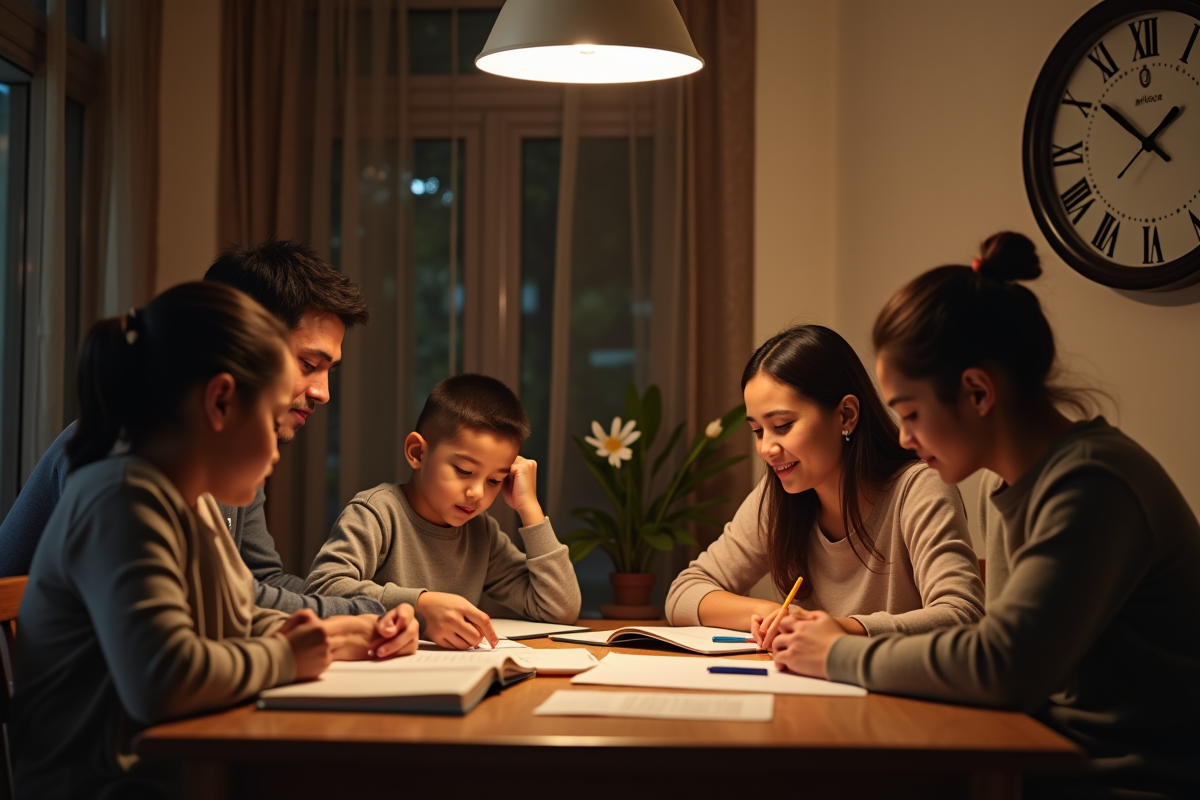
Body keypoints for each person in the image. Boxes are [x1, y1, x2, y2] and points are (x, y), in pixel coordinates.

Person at [771, 233, 1200, 799]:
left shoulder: (1093, 484)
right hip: (1049, 759)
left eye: (912, 412)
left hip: (1130, 780)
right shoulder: (1009, 484)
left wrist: (838, 651)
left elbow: (1004, 665)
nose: (902, 437)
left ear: (976, 392)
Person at [11, 283, 420, 800]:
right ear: (221, 401)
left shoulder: (193, 499)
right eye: (273, 422)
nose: (277, 449)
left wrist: (345, 634)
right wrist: (289, 657)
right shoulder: (122, 496)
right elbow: (163, 679)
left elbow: (237, 616)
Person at [0, 241, 382, 617]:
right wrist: (365, 615)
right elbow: (208, 613)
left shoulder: (226, 451)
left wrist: (396, 611)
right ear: (241, 341)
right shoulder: (127, 457)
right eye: (308, 364)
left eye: (328, 371)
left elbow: (257, 584)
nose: (323, 393)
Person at [665, 325, 984, 648]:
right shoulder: (777, 495)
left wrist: (837, 630)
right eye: (758, 431)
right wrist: (772, 613)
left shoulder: (918, 488)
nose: (766, 449)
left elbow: (962, 614)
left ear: (846, 415)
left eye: (782, 426)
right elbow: (684, 592)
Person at [305, 373, 582, 649]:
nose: (477, 492)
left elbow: (560, 609)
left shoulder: (480, 532)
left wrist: (530, 508)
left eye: (494, 480)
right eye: (464, 470)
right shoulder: (376, 513)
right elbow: (322, 589)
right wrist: (421, 605)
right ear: (417, 453)